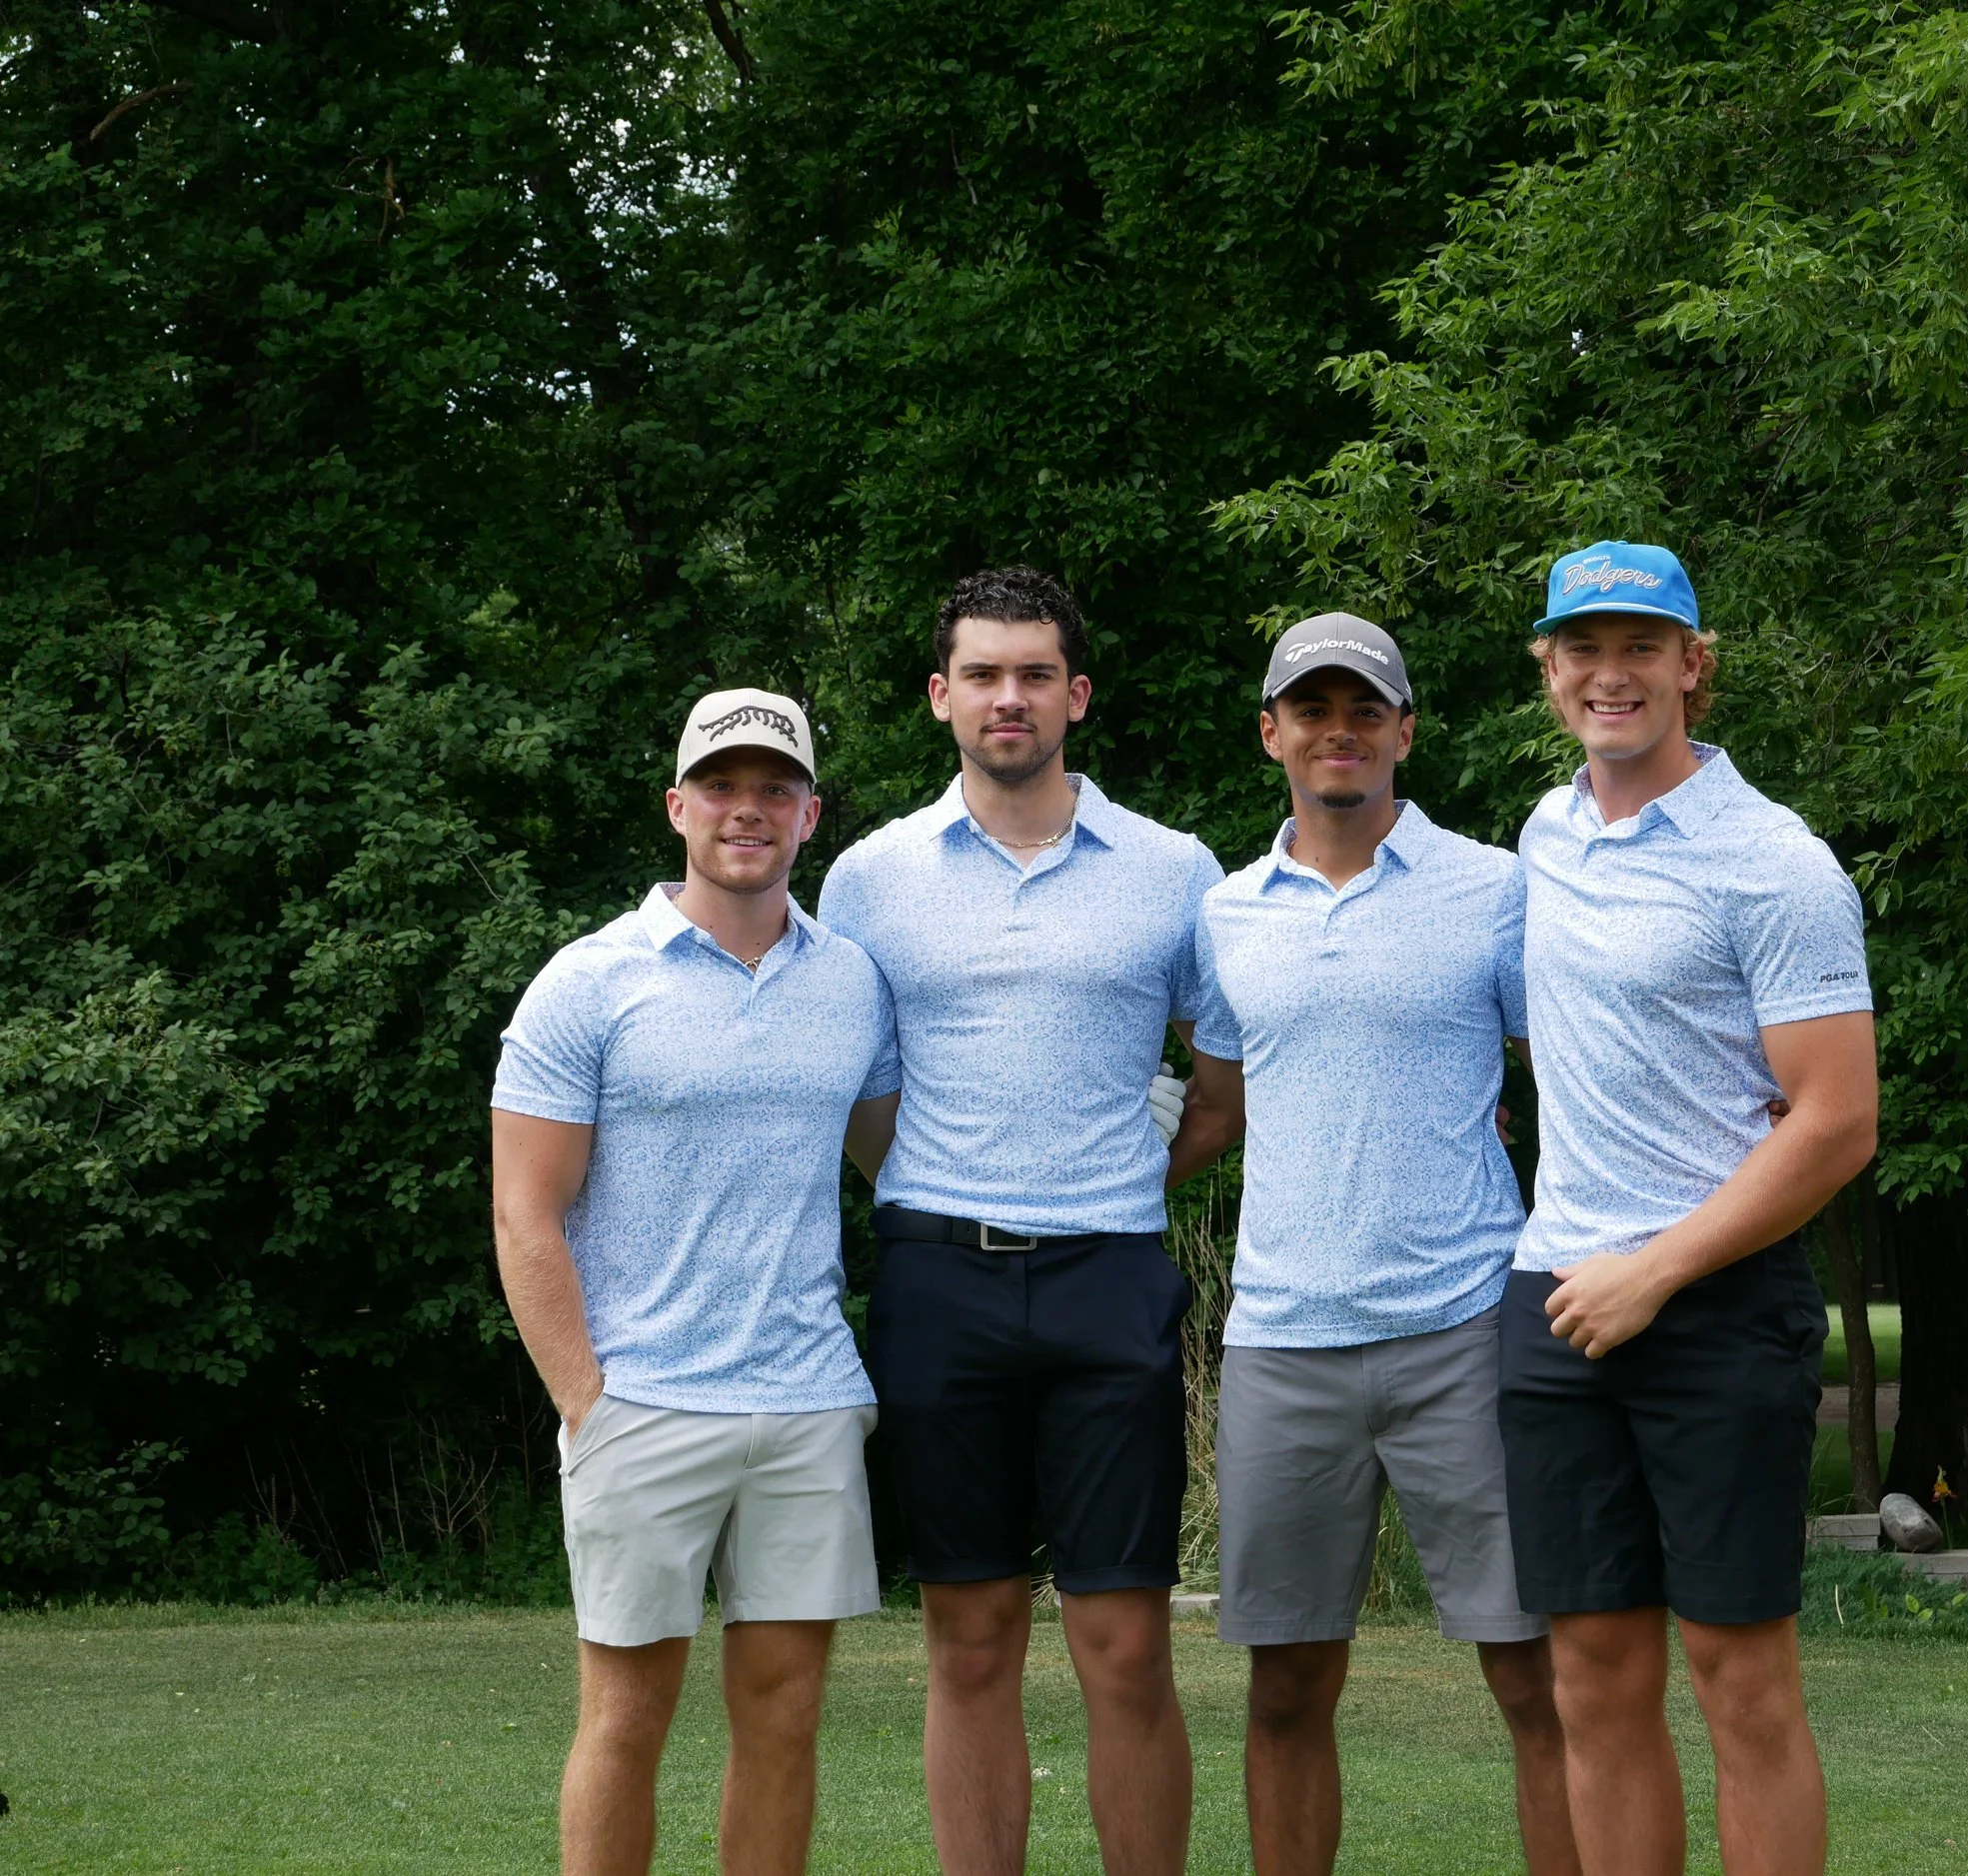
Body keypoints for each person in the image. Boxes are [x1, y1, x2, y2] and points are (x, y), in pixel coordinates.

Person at [817, 567, 1245, 1876]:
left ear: (1077, 694)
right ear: (942, 695)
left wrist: (1108, 1187)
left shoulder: (1175, 872)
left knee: (1123, 1642)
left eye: (1036, 673)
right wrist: (958, 1189)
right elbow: (854, 1095)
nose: (1012, 696)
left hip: (1109, 1284)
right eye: (985, 674)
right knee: (971, 1633)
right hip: (940, 1287)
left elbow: (1222, 1087)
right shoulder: (869, 877)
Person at [1499, 542, 1879, 1876]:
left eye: (1641, 647)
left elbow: (1837, 1119)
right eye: (1584, 648)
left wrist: (1657, 1269)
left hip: (1715, 1307)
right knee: (1593, 1679)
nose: (1612, 673)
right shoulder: (1545, 837)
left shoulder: (1774, 862)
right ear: (1550, 672)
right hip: (1553, 1303)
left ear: (1692, 666)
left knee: (1740, 1677)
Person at [1189, 613, 1580, 1876]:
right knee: (1288, 1689)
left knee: (1538, 1679)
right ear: (1272, 734)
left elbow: (1572, 1067)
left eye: (1366, 707)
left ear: (1405, 730)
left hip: (1467, 1324)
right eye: (1312, 707)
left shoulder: (1493, 888)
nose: (1338, 728)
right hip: (1281, 1345)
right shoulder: (1224, 915)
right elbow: (1213, 1103)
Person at [491, 689, 902, 1876]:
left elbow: (900, 1156)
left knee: (784, 1715)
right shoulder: (588, 979)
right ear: (677, 805)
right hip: (643, 1400)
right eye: (721, 786)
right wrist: (587, 1399)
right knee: (627, 1716)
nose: (747, 809)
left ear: (810, 813)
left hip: (806, 1400)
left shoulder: (852, 979)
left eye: (775, 788)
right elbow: (525, 1211)